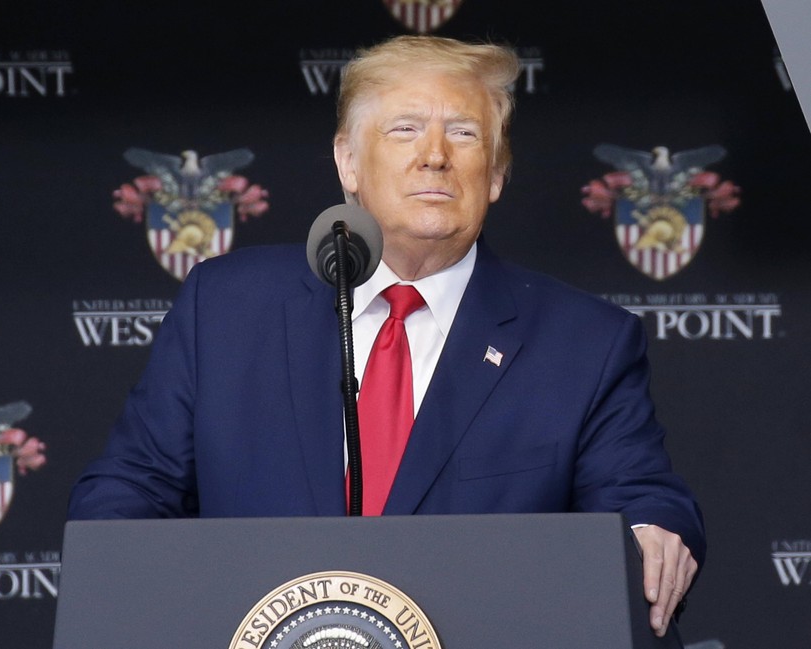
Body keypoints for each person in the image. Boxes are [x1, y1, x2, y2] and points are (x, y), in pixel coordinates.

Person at [69, 35, 705, 638]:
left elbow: (639, 496)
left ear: (496, 175)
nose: (435, 154)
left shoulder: (584, 342)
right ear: (348, 161)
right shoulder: (226, 307)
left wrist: (651, 533)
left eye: (464, 133)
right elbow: (133, 487)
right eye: (405, 129)